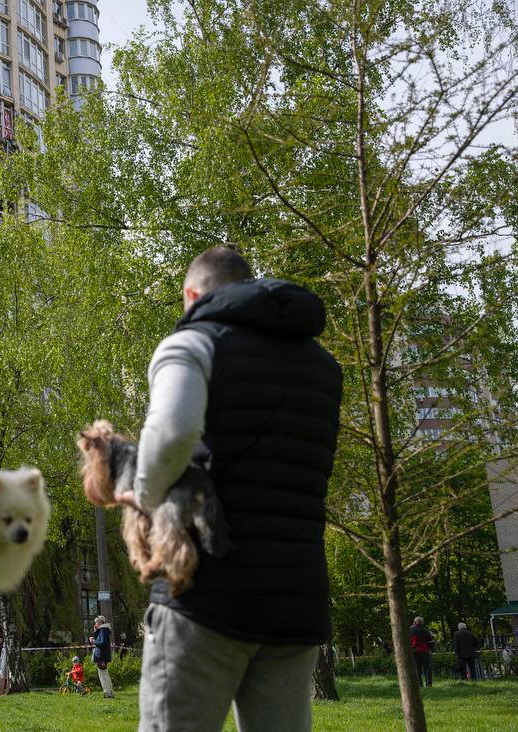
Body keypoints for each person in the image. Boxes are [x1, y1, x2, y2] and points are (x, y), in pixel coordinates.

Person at [120, 249, 344, 731]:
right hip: (296, 598)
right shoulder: (324, 367)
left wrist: (144, 494)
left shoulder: (195, 342)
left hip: (206, 592)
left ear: (191, 296)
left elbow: (174, 431)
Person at [91, 615, 115, 698]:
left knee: (103, 675)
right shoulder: (102, 630)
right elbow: (100, 640)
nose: (96, 624)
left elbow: (102, 643)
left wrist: (93, 642)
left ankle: (108, 693)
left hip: (102, 656)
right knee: (104, 674)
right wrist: (95, 632)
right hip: (102, 656)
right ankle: (109, 692)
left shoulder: (103, 630)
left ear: (101, 622)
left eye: (96, 622)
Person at [410, 617, 436, 688]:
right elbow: (430, 640)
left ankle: (419, 684)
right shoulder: (425, 630)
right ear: (422, 623)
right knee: (427, 667)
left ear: (414, 622)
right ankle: (428, 683)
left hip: (414, 651)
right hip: (424, 650)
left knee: (416, 668)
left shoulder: (410, 629)